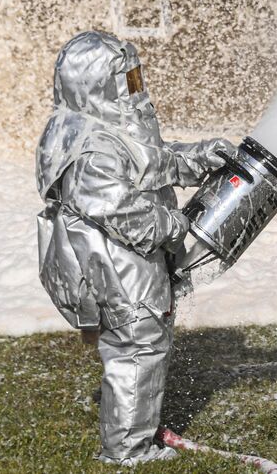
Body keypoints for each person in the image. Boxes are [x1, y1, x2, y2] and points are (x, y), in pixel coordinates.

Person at [35, 31, 231, 465]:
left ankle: (137, 431)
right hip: (113, 261)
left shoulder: (101, 123)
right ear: (96, 85)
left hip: (125, 259)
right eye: (127, 80)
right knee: (137, 342)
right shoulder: (91, 145)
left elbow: (150, 161)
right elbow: (118, 209)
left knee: (145, 339)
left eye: (136, 77)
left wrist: (200, 158)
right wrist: (172, 225)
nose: (136, 88)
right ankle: (127, 451)